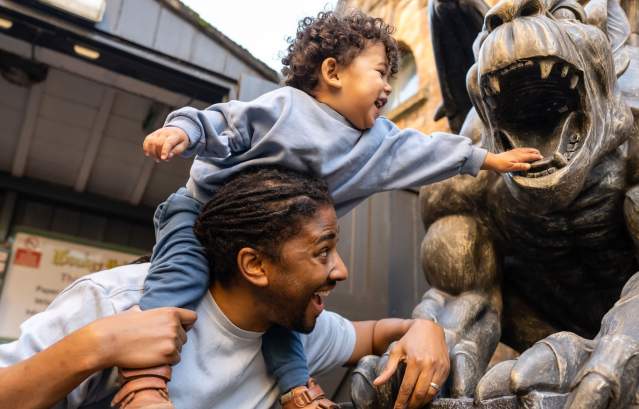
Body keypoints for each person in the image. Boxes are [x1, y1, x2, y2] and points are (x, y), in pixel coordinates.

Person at [139, 10, 542, 409]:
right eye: (380, 72)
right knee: (179, 280)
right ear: (332, 72)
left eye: (391, 77)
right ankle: (144, 381)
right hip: (198, 213)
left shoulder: (378, 142)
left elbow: (426, 148)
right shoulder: (285, 108)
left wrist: (488, 160)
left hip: (271, 255)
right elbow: (224, 122)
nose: (388, 86)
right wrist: (181, 131)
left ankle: (297, 388)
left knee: (282, 314)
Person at [0, 167, 449, 409]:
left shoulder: (292, 331)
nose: (341, 271)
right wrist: (99, 343)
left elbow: (378, 334)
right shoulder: (116, 301)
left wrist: (424, 328)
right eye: (322, 252)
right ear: (254, 264)